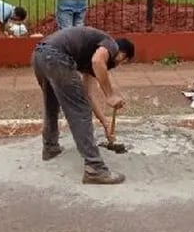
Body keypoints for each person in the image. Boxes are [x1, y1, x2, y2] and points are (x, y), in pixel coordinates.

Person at [31, 26, 135, 185]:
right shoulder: (111, 44)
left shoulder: (88, 57)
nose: (119, 63)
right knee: (80, 112)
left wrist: (105, 123)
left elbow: (88, 95)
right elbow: (98, 61)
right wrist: (110, 95)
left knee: (52, 104)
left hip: (40, 55)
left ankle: (50, 147)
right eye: (123, 61)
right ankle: (95, 169)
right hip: (55, 56)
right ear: (122, 54)